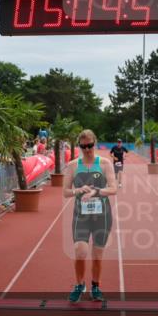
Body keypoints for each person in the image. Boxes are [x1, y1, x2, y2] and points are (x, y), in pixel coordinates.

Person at [62, 129, 117, 303]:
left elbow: (113, 188)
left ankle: (95, 286)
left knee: (97, 255)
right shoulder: (72, 166)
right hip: (81, 216)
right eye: (83, 146)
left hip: (102, 216)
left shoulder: (105, 164)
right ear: (79, 146)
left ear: (95, 143)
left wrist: (97, 191)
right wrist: (77, 190)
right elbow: (65, 192)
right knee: (80, 251)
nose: (87, 149)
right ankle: (79, 285)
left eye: (90, 145)